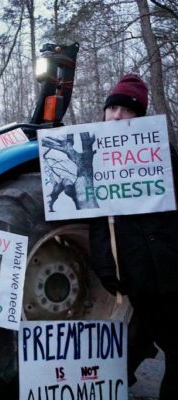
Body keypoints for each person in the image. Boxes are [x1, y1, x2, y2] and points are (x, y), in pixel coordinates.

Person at [89, 74, 178, 399]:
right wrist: (105, 266)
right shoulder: (94, 157)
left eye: (125, 111)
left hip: (168, 269)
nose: (115, 116)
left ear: (139, 116)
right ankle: (105, 386)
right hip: (132, 272)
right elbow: (96, 221)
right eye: (111, 109)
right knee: (138, 336)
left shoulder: (163, 155)